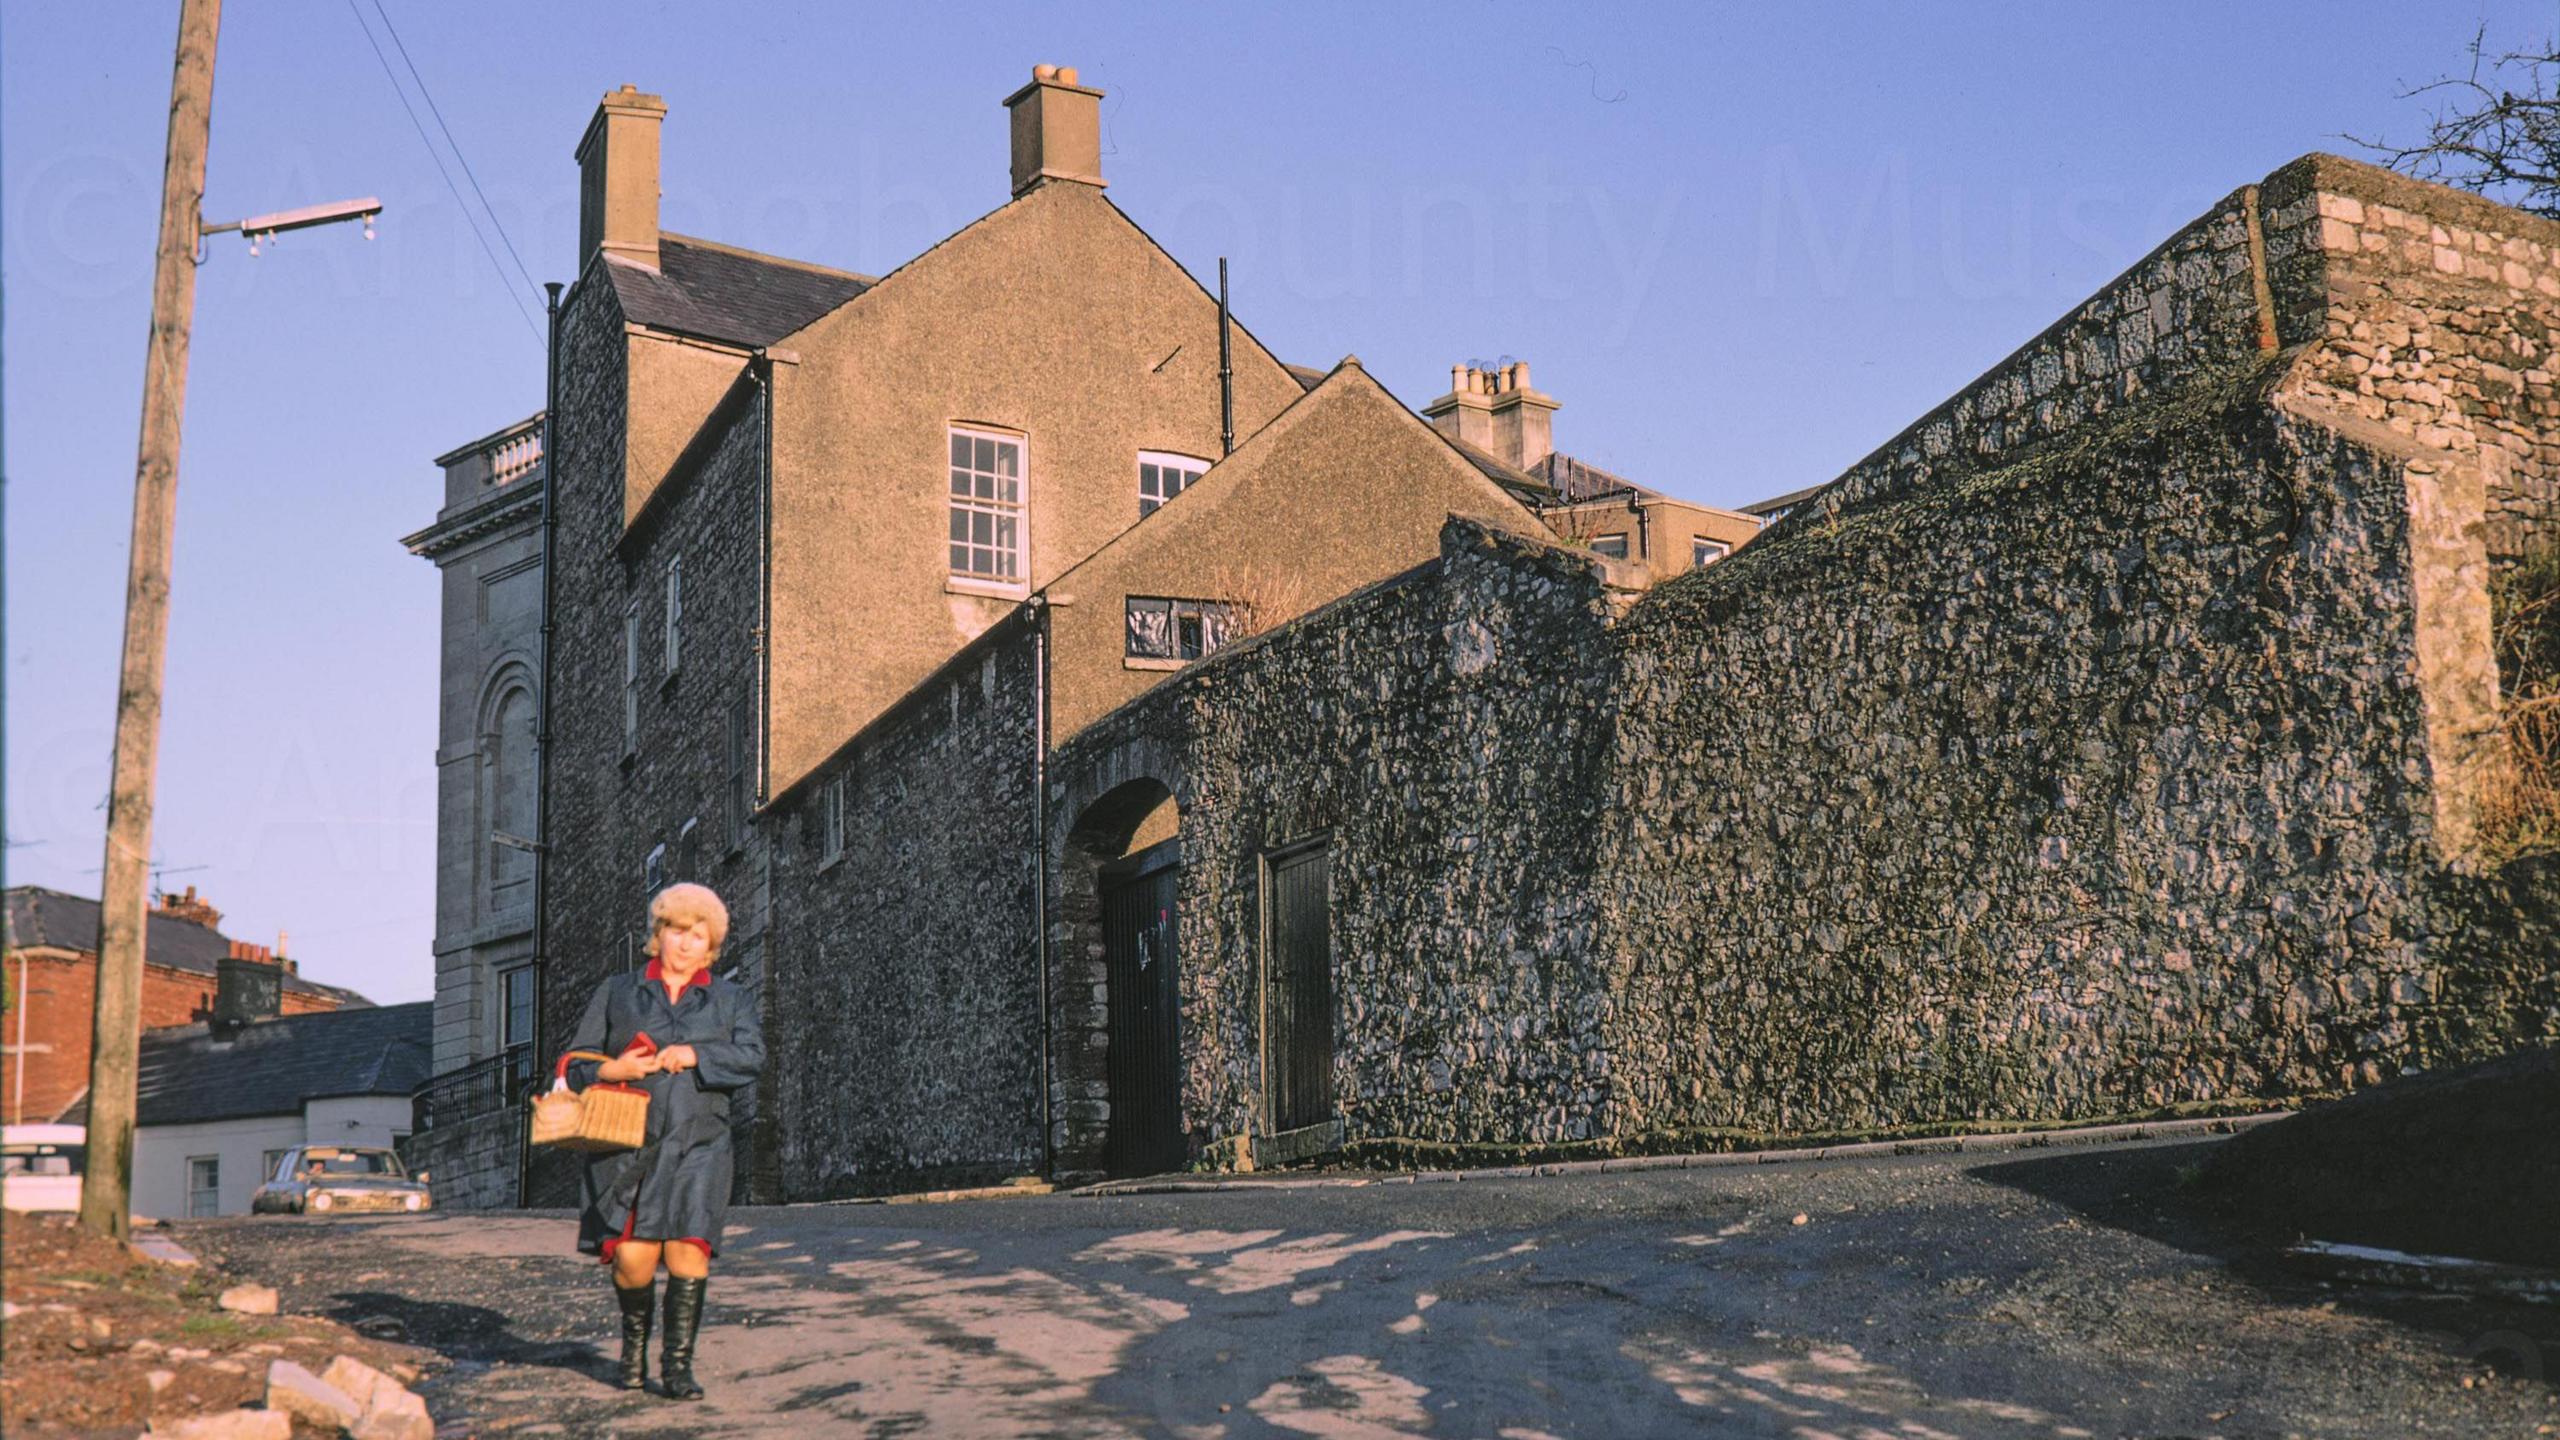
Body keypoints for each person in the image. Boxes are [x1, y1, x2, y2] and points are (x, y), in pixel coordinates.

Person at [557, 882, 764, 1400]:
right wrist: (615, 1066)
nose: (686, 942)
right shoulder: (619, 991)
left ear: (711, 944)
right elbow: (572, 1064)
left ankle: (676, 1369)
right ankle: (633, 1349)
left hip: (701, 1143)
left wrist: (697, 1055)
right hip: (626, 1144)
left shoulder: (730, 998)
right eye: (677, 930)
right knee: (634, 1259)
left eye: (699, 934)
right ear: (659, 934)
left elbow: (753, 1057)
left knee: (688, 1250)